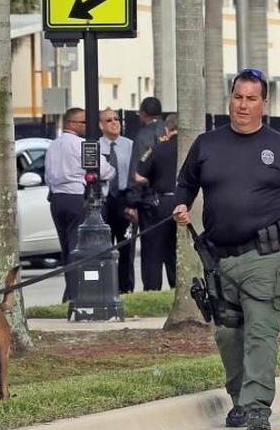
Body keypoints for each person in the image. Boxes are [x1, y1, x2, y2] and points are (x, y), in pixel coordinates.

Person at [172, 68, 280, 430]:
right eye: (238, 97)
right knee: (228, 334)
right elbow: (185, 184)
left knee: (260, 331)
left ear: (263, 104)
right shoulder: (207, 144)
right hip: (218, 258)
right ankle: (240, 399)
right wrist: (181, 205)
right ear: (230, 99)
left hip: (264, 256)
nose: (243, 105)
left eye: (251, 99)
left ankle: (256, 406)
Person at [44, 108, 115, 302]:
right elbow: (106, 171)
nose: (87, 126)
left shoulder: (53, 146)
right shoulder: (81, 145)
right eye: (83, 123)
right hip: (77, 197)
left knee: (67, 248)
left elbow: (48, 176)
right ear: (71, 124)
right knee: (79, 248)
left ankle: (71, 292)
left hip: (58, 199)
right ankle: (79, 293)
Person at [135, 114, 179, 292]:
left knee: (154, 250)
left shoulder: (158, 148)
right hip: (186, 203)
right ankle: (179, 287)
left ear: (167, 129)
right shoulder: (193, 148)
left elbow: (139, 176)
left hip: (162, 203)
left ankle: (152, 289)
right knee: (176, 251)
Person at [99, 108, 136, 293]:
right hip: (104, 200)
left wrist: (133, 203)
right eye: (109, 120)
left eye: (116, 119)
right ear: (100, 125)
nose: (115, 123)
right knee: (104, 247)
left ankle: (125, 287)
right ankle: (106, 287)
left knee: (126, 246)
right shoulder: (96, 145)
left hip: (124, 198)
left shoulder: (129, 145)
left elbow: (135, 174)